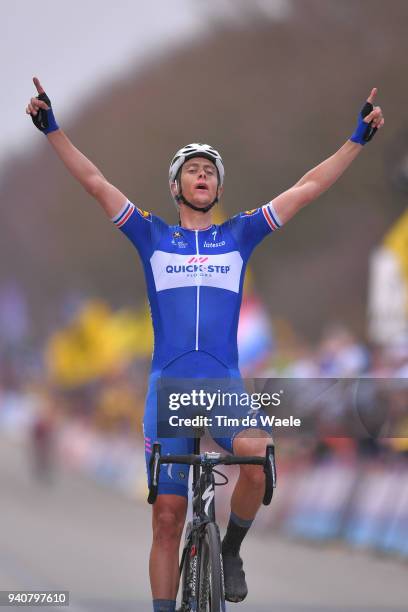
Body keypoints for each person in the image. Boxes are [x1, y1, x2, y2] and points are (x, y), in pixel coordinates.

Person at [26, 77, 384, 611]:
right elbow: (97, 182)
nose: (202, 175)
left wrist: (356, 139)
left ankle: (232, 548)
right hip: (168, 390)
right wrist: (51, 128)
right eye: (192, 169)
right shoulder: (151, 235)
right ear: (176, 187)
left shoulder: (239, 234)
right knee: (167, 519)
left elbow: (308, 187)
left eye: (210, 171)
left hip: (222, 385)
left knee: (259, 453)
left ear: (218, 189)